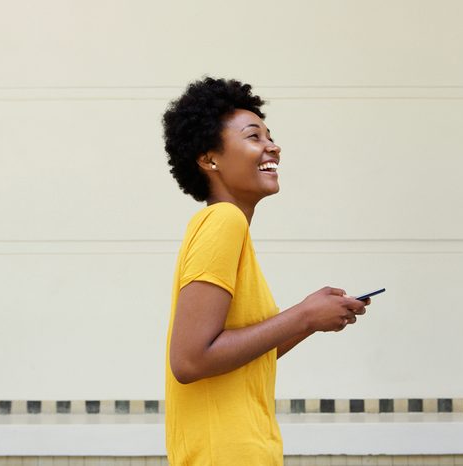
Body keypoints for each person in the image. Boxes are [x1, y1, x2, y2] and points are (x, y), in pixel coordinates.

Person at [162, 77, 369, 465]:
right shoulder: (223, 221)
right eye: (253, 136)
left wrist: (309, 322)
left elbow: (233, 357)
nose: (272, 146)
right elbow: (190, 361)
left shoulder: (228, 228)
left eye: (270, 136)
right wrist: (302, 314)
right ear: (210, 160)